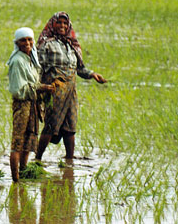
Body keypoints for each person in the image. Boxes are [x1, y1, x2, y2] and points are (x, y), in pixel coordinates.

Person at [35, 11, 107, 162]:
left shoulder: (71, 44)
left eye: (65, 23)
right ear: (52, 25)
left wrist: (92, 74)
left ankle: (69, 160)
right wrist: (39, 88)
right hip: (54, 90)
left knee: (70, 125)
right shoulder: (46, 44)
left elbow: (79, 68)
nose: (62, 26)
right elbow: (37, 68)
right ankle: (38, 159)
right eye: (59, 23)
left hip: (71, 90)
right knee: (51, 124)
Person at [7, 27, 55, 182]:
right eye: (23, 40)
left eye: (29, 40)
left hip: (32, 103)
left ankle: (24, 171)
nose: (27, 43)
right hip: (22, 105)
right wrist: (41, 87)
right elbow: (17, 90)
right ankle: (15, 179)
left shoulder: (30, 59)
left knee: (29, 139)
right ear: (17, 43)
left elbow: (32, 82)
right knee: (18, 141)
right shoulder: (17, 61)